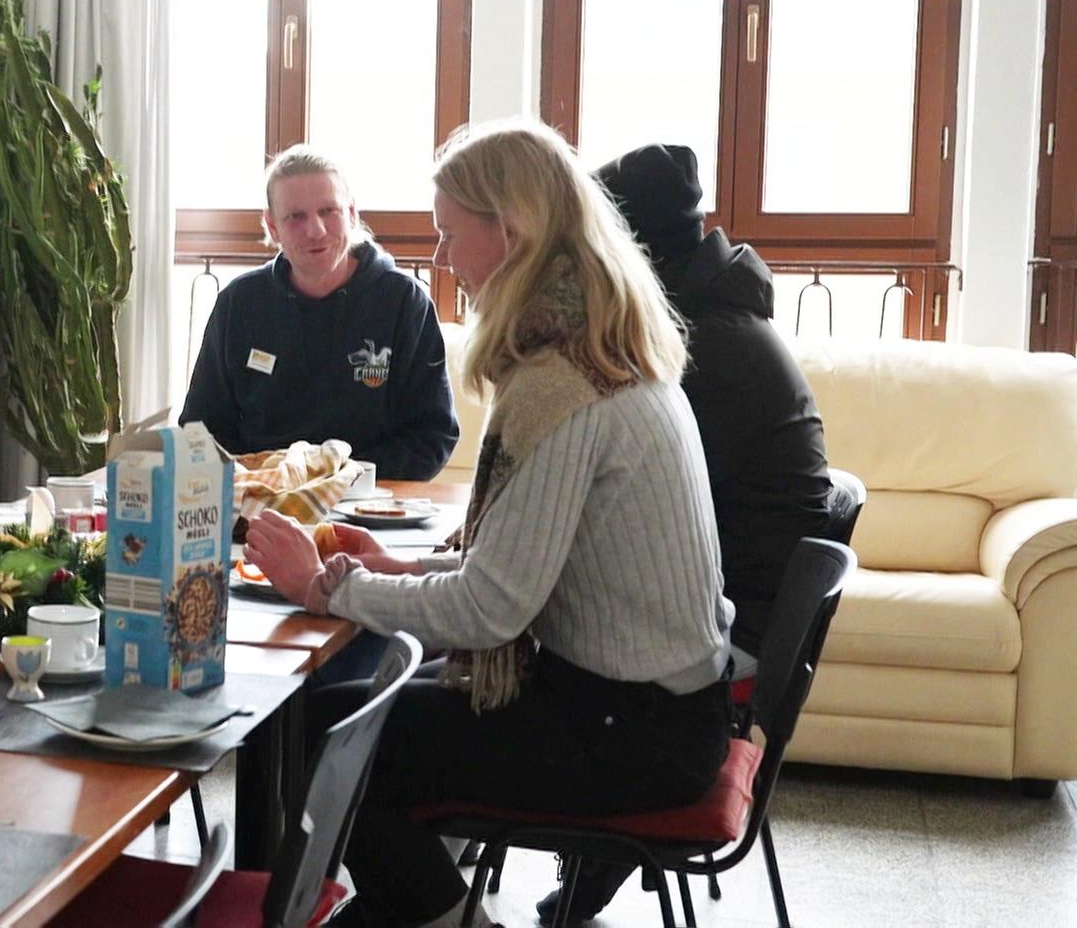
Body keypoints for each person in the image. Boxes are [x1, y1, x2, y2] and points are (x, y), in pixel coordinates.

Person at [249, 119, 734, 928]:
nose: (442, 258)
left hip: (631, 735)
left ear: (508, 233)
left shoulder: (559, 384)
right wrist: (399, 574)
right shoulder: (602, 346)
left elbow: (490, 610)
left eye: (448, 234)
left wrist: (330, 588)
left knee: (333, 736)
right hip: (665, 710)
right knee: (358, 717)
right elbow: (508, 574)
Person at [526, 144, 844, 924]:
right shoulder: (716, 317)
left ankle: (525, 830)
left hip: (722, 642)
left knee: (512, 655)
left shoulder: (704, 350)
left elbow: (621, 512)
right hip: (741, 608)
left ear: (634, 251)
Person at [180, 145, 459, 480]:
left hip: (369, 503)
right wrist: (259, 481)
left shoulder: (404, 301)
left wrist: (335, 476)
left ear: (352, 214)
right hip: (261, 501)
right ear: (271, 226)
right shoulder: (238, 304)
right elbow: (199, 430)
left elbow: (432, 437)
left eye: (329, 211)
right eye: (296, 217)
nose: (316, 230)